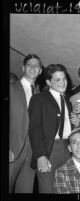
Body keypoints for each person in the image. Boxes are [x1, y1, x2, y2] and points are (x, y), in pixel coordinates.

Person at [28, 64, 79, 193]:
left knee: (67, 189)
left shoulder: (68, 100)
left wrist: (76, 123)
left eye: (64, 78)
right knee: (48, 189)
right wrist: (40, 156)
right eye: (57, 80)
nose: (63, 82)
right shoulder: (38, 98)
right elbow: (34, 129)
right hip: (48, 151)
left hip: (67, 149)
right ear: (48, 82)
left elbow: (66, 125)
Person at [9, 54, 42, 193]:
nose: (33, 67)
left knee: (25, 190)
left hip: (32, 152)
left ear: (40, 70)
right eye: (29, 64)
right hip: (13, 148)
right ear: (23, 67)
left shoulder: (41, 94)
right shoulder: (11, 88)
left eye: (36, 65)